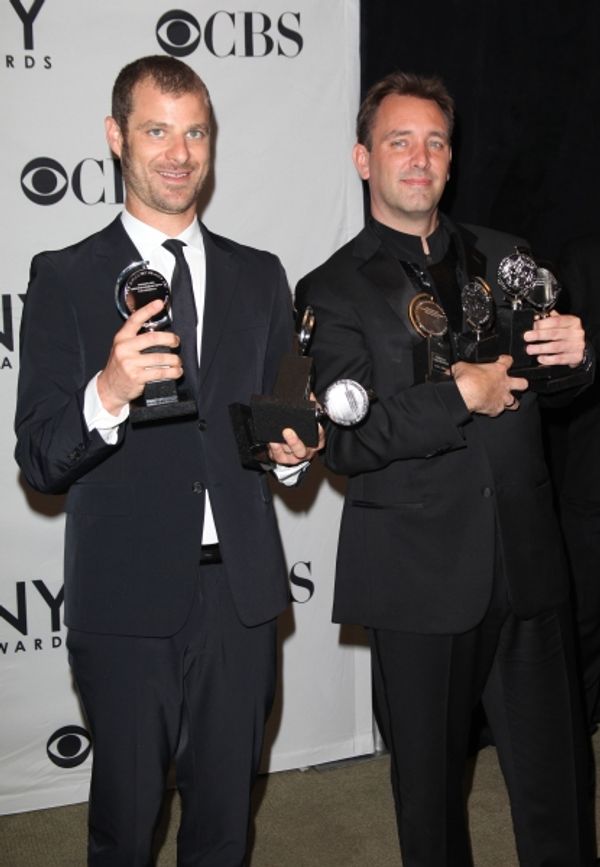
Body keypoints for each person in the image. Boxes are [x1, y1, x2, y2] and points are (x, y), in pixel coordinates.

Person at [14, 55, 323, 866]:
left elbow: (271, 431)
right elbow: (41, 458)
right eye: (158, 130)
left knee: (225, 823)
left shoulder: (261, 278)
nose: (179, 152)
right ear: (117, 138)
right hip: (124, 601)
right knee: (125, 825)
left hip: (242, 595)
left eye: (196, 132)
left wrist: (290, 457)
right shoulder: (66, 277)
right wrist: (107, 389)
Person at [295, 71, 597, 866]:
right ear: (365, 159)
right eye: (399, 141)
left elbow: (550, 379)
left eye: (434, 141)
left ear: (450, 159)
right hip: (417, 579)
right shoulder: (329, 290)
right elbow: (349, 439)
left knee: (559, 785)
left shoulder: (509, 258)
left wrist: (580, 355)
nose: (419, 158)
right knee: (429, 805)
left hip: (528, 565)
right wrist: (459, 394)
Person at [543, 233, 600, 731]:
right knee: (582, 627)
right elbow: (561, 382)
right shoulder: (584, 261)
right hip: (591, 483)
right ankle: (572, 740)